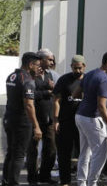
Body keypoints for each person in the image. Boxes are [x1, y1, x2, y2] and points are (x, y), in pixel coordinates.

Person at [75, 51, 107, 186]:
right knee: (100, 153)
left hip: (80, 116)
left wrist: (88, 98)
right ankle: (92, 183)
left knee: (85, 152)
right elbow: (102, 107)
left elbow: (76, 93)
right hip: (91, 118)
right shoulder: (104, 79)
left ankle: (81, 182)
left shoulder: (89, 74)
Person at [2, 52, 43, 186]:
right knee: (19, 154)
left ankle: (6, 180)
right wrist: (36, 126)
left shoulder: (12, 76)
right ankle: (13, 182)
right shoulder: (27, 80)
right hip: (22, 122)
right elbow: (29, 106)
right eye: (37, 65)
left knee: (11, 152)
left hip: (9, 118)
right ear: (30, 65)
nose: (39, 68)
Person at [53, 55, 86, 186]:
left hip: (83, 123)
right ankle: (65, 180)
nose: (77, 71)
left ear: (84, 66)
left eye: (80, 68)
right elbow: (56, 100)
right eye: (75, 68)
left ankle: (83, 180)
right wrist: (56, 120)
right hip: (66, 121)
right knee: (64, 153)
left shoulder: (88, 79)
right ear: (71, 67)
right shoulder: (64, 79)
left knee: (84, 153)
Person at [27, 48, 58, 185]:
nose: (52, 62)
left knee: (51, 147)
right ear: (41, 59)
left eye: (52, 60)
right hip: (35, 118)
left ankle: (44, 175)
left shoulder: (50, 74)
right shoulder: (31, 74)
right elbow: (30, 96)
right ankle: (32, 178)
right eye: (49, 59)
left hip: (49, 118)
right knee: (33, 149)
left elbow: (55, 93)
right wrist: (47, 92)